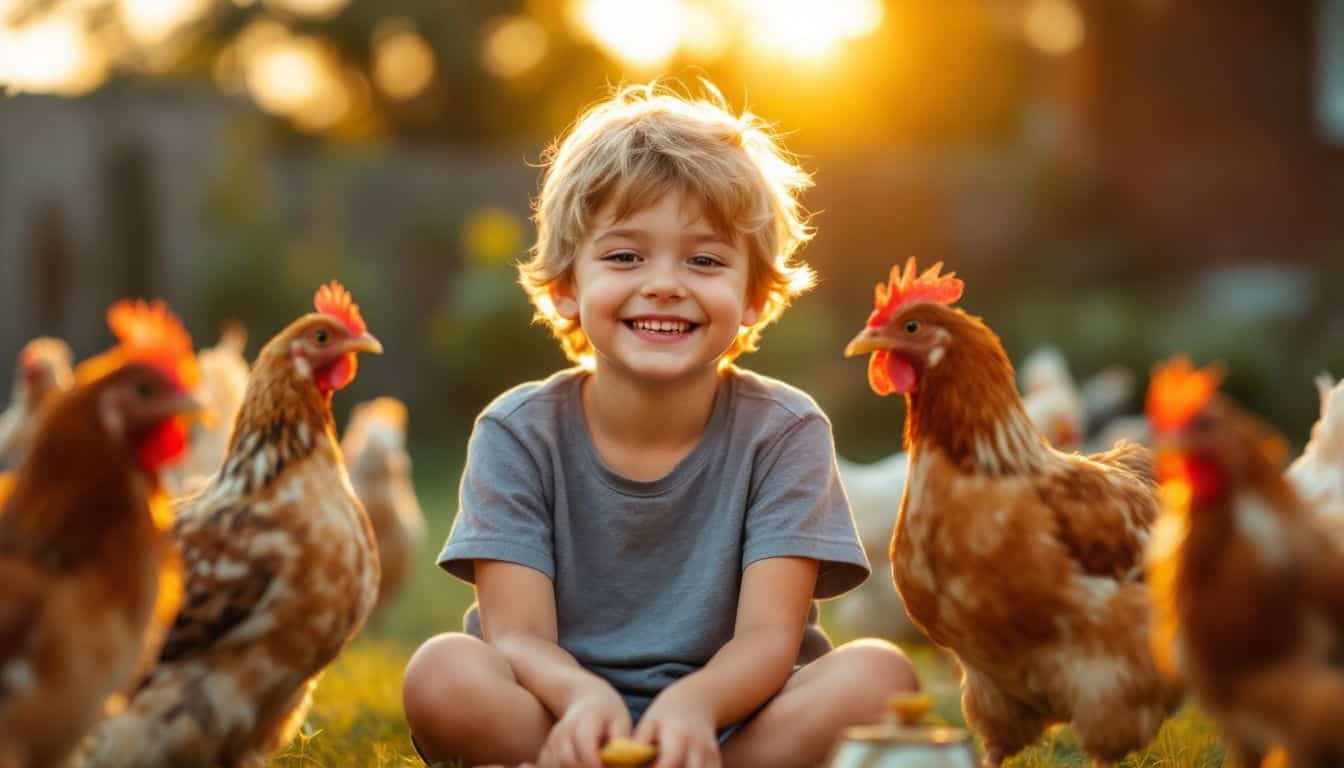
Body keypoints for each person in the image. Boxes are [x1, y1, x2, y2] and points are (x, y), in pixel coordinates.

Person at [403, 82, 918, 768]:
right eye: (624, 257)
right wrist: (584, 702)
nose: (665, 284)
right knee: (441, 671)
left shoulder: (786, 431)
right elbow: (518, 637)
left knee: (880, 676)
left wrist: (695, 707)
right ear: (564, 285)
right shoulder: (517, 431)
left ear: (755, 297)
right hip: (559, 718)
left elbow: (768, 639)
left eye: (704, 260)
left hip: (737, 724)